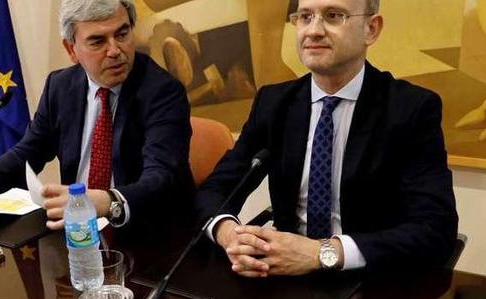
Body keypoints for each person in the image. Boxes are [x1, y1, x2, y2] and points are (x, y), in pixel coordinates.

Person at [195, 0, 458, 276]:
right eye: (305, 17)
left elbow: (435, 228)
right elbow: (215, 189)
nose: (314, 31)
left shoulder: (411, 108)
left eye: (333, 16)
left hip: (369, 281)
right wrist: (229, 234)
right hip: (282, 276)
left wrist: (322, 253)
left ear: (371, 28)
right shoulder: (274, 103)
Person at [0, 0, 193, 230]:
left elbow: (161, 178)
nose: (115, 50)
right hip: (78, 231)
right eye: (97, 41)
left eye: (122, 34)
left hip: (146, 230)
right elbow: (28, 152)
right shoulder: (60, 87)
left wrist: (107, 201)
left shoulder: (163, 92)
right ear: (71, 49)